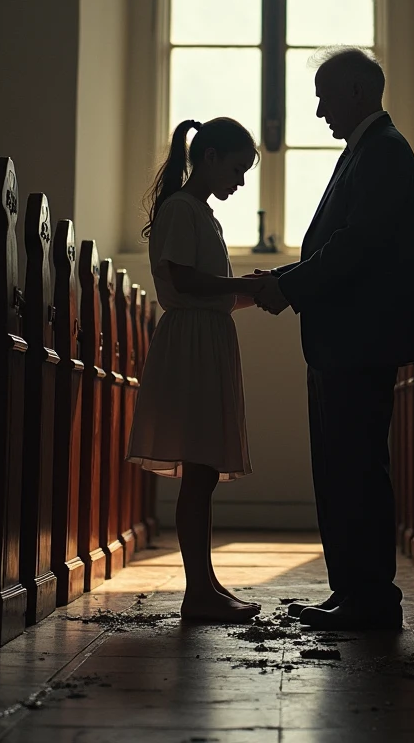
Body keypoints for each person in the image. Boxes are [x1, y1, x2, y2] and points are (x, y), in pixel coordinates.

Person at [249, 47, 414, 631]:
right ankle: (349, 590)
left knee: (356, 470)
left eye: (325, 95)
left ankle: (372, 598)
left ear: (356, 90)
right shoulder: (366, 151)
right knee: (336, 470)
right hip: (341, 338)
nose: (319, 109)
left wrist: (288, 286)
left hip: (359, 339)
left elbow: (357, 245)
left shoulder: (385, 152)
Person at [126, 117, 270, 623]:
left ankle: (205, 583)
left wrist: (260, 292)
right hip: (190, 343)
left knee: (204, 471)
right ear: (209, 158)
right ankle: (197, 591)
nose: (241, 181)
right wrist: (249, 286)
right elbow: (185, 280)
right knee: (199, 470)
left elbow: (216, 296)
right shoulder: (180, 209)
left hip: (206, 338)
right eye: (237, 169)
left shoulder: (204, 214)